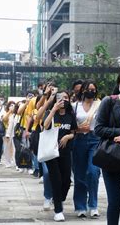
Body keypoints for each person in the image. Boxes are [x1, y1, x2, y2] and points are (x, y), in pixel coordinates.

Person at [94, 68, 120, 225]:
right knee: (114, 202)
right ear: (119, 84)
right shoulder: (109, 101)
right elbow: (98, 129)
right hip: (110, 156)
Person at [42, 90, 78, 222]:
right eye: (60, 98)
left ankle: (58, 199)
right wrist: (53, 109)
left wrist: (68, 136)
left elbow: (74, 132)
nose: (63, 100)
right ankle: (58, 210)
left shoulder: (70, 115)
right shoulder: (51, 114)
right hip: (52, 152)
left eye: (65, 98)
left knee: (66, 180)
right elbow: (45, 126)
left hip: (65, 152)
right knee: (56, 180)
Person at [72, 80, 101, 218]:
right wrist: (78, 129)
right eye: (88, 88)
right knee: (79, 175)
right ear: (83, 90)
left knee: (93, 172)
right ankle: (80, 206)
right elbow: (70, 125)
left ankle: (93, 205)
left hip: (95, 140)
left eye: (93, 89)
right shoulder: (75, 106)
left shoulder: (100, 105)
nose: (91, 91)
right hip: (79, 141)